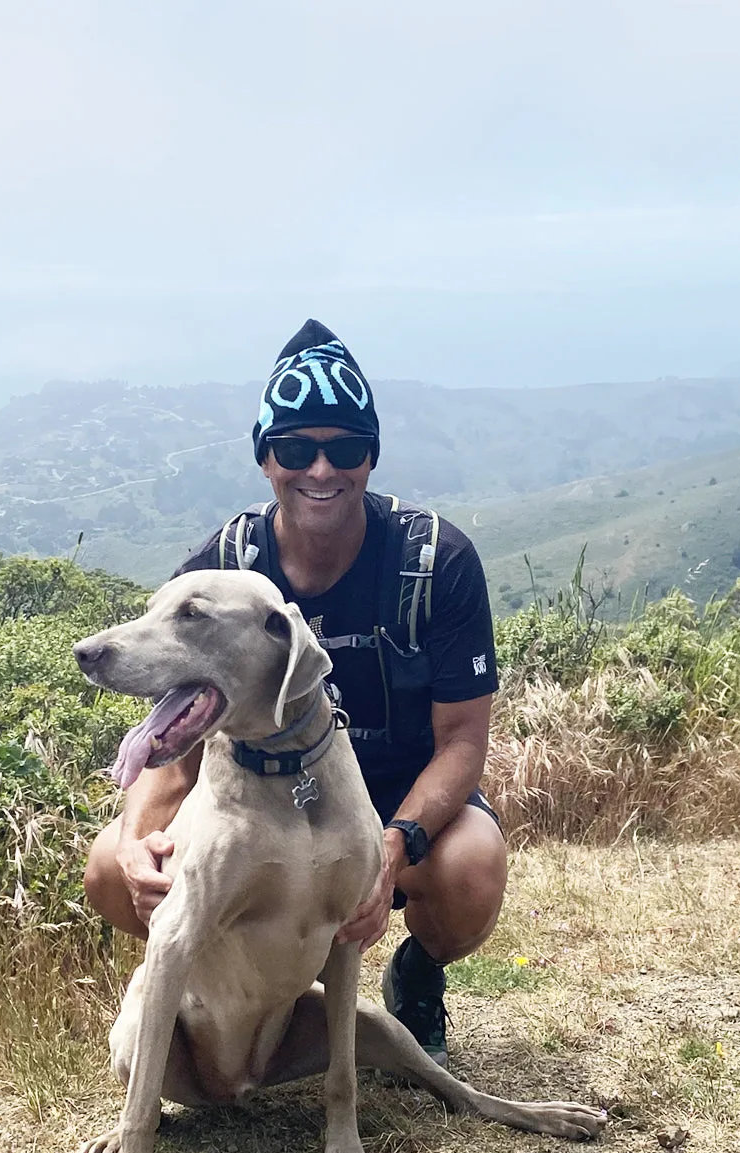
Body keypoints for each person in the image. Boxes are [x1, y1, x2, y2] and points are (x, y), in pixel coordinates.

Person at [83, 319, 507, 1066]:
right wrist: (140, 842)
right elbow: (174, 746)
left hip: (394, 803)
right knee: (107, 871)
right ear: (265, 459)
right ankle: (235, 1002)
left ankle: (419, 972)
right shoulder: (221, 572)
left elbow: (463, 742)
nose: (321, 470)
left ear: (371, 456)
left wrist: (392, 848)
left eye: (345, 448)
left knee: (470, 870)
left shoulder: (434, 563)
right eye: (295, 449)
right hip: (266, 800)